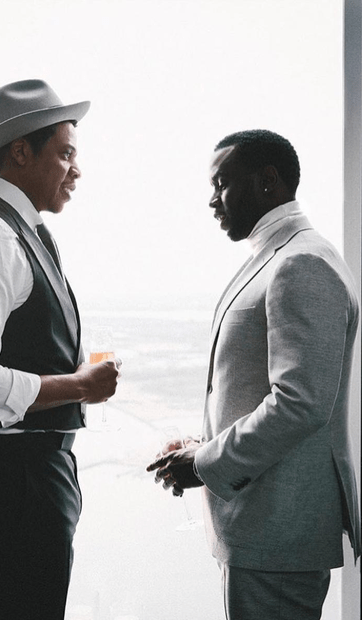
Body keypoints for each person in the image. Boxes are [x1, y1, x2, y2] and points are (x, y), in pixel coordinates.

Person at [147, 129, 360, 619]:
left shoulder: (301, 262)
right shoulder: (281, 255)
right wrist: (201, 443)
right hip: (266, 530)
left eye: (221, 184)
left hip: (278, 533)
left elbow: (300, 403)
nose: (212, 201)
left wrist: (204, 463)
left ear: (267, 181)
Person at [0, 79, 120, 620]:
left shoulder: (24, 230)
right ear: (20, 152)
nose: (76, 170)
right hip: (10, 482)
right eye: (65, 154)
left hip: (29, 474)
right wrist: (78, 386)